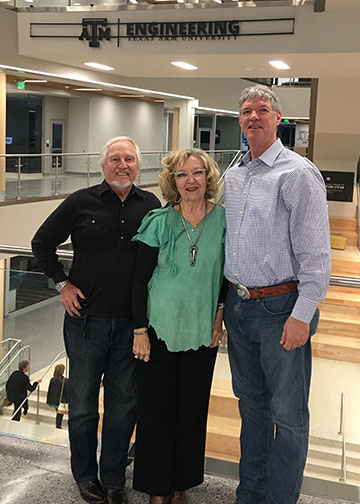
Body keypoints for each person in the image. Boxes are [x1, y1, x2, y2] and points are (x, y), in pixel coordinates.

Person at [31, 136, 161, 504]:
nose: (123, 165)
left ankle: (114, 477)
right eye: (116, 159)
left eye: (130, 159)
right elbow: (41, 243)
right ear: (104, 166)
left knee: (124, 407)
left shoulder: (150, 206)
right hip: (85, 323)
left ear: (139, 166)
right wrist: (62, 283)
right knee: (85, 406)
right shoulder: (79, 202)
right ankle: (85, 476)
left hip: (132, 327)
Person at [224, 84, 331, 504]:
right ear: (240, 121)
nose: (254, 116)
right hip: (239, 305)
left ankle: (280, 498)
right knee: (251, 409)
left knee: (287, 417)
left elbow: (317, 256)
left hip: (281, 309)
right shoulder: (235, 175)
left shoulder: (298, 173)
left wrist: (302, 314)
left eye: (262, 110)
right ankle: (249, 493)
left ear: (278, 118)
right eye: (247, 111)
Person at [131, 149, 226, 504]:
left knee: (191, 412)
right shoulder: (158, 221)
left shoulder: (224, 221)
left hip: (202, 332)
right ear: (173, 182)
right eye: (182, 175)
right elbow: (138, 281)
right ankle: (157, 487)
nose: (191, 181)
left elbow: (227, 278)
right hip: (157, 332)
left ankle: (179, 484)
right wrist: (139, 330)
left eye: (197, 173)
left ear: (208, 178)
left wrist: (220, 315)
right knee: (156, 411)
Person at [46, 363, 69, 429]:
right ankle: (58, 426)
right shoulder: (65, 380)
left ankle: (58, 425)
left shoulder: (52, 379)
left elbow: (50, 391)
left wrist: (48, 401)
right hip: (62, 401)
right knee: (60, 413)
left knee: (59, 413)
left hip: (54, 401)